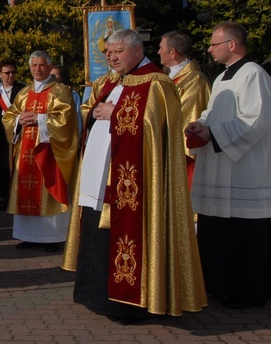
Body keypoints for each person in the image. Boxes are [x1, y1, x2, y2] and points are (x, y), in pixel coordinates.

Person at [63, 28, 206, 319]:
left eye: (118, 52)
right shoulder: (110, 81)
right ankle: (94, 295)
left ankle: (127, 304)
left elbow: (153, 129)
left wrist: (115, 113)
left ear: (137, 51)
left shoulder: (157, 83)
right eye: (108, 53)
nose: (112, 58)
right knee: (96, 231)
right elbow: (90, 111)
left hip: (134, 182)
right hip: (99, 174)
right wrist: (95, 113)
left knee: (123, 235)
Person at [186, 22, 271, 309]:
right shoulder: (221, 78)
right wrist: (201, 124)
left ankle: (250, 292)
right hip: (220, 167)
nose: (209, 49)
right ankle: (221, 285)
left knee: (246, 234)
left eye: (214, 44)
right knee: (220, 230)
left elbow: (256, 119)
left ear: (232, 45)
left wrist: (215, 134)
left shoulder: (254, 74)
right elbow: (212, 113)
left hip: (245, 170)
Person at [3, 51, 78, 252]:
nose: (37, 69)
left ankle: (54, 237)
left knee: (47, 189)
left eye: (41, 65)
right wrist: (19, 120)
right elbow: (9, 117)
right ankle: (29, 236)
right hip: (26, 152)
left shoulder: (60, 91)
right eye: (34, 65)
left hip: (48, 151)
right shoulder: (24, 92)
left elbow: (66, 120)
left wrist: (40, 119)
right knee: (26, 191)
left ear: (49, 66)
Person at [157, 30, 211, 187]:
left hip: (182, 154)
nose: (159, 52)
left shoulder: (195, 80)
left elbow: (188, 117)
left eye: (161, 47)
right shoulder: (165, 76)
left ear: (173, 52)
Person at [0, 58, 23, 209]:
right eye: (7, 72)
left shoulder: (22, 89)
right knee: (1, 166)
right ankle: (3, 197)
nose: (10, 75)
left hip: (16, 132)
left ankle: (14, 196)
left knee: (15, 166)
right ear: (0, 74)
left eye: (13, 72)